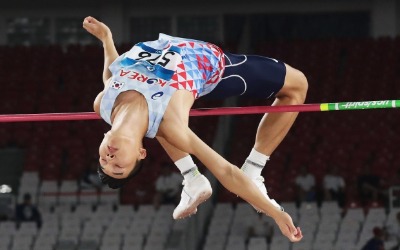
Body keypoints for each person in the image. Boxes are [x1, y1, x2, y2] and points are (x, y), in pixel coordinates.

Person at [83, 16, 307, 242]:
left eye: (104, 160)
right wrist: (275, 213)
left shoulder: (103, 104)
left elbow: (110, 76)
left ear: (103, 140)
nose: (110, 158)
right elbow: (226, 172)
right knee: (298, 85)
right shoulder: (170, 125)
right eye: (118, 165)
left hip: (167, 45)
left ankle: (192, 177)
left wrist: (106, 39)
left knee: (149, 123)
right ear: (141, 153)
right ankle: (253, 168)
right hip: (211, 63)